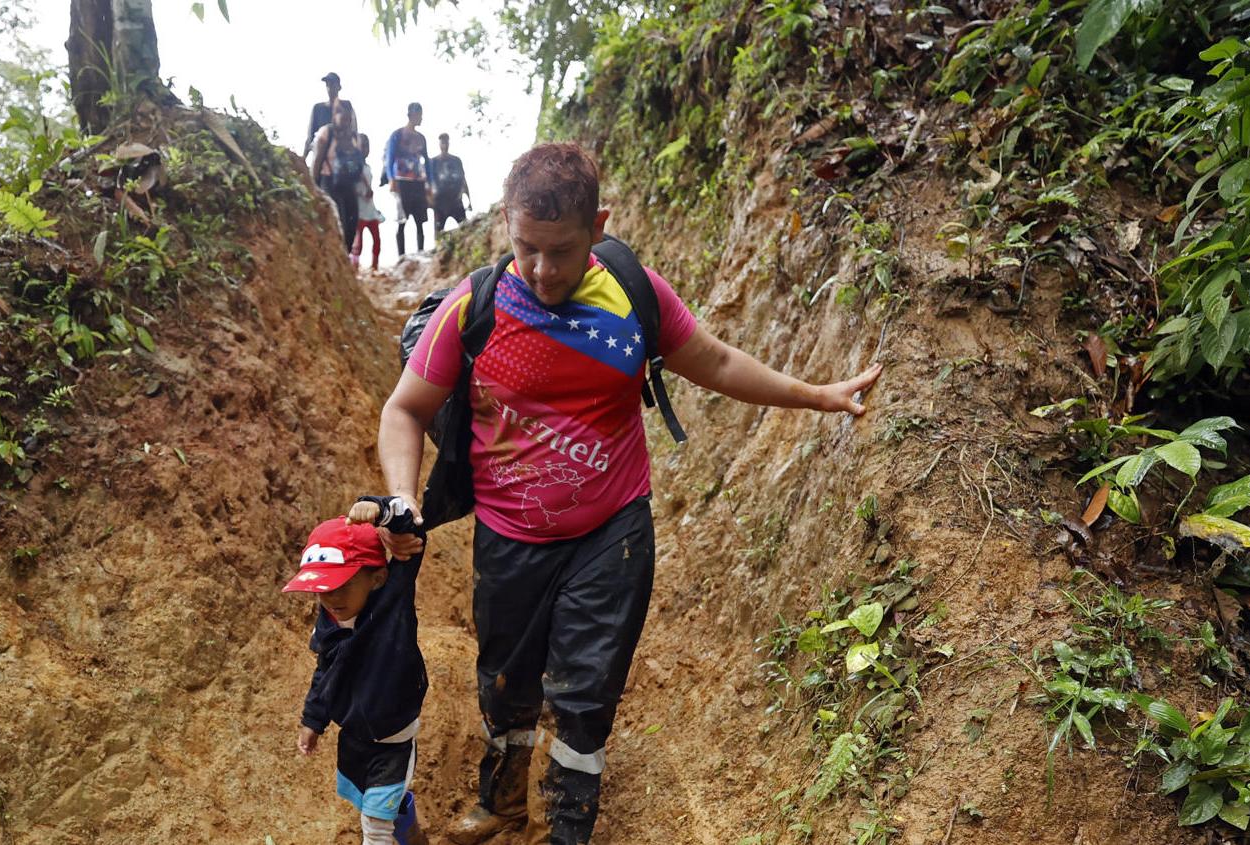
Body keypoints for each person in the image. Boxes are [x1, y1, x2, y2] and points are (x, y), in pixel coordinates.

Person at [377, 143, 885, 844]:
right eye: (526, 248)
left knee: (585, 694)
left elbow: (716, 361)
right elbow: (404, 409)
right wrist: (402, 496)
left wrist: (818, 396)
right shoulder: (475, 307)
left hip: (610, 534)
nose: (542, 269)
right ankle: (503, 800)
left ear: (599, 226)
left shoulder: (631, 292)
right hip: (509, 536)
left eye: (561, 250)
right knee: (504, 680)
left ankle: (569, 828)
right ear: (506, 224)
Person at [287, 497, 431, 845]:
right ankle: (412, 834)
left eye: (342, 586)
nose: (331, 599)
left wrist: (381, 510)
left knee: (375, 825)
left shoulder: (393, 605)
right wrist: (313, 721)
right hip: (353, 737)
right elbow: (325, 673)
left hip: (392, 743)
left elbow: (413, 533)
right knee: (373, 804)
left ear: (377, 578)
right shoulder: (328, 624)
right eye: (322, 590)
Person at [312, 106, 365, 255]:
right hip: (329, 181)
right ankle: (334, 253)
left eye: (349, 118)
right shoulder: (327, 133)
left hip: (349, 183)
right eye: (343, 118)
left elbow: (359, 162)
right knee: (338, 219)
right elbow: (317, 161)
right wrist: (313, 186)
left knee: (352, 222)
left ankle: (345, 255)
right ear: (335, 116)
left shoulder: (355, 137)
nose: (346, 121)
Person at [380, 103, 431, 257]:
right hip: (402, 181)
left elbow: (427, 161)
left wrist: (429, 182)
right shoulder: (397, 135)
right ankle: (401, 255)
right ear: (412, 115)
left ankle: (421, 252)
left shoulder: (421, 138)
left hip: (418, 181)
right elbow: (390, 158)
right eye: (419, 115)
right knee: (402, 220)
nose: (421, 118)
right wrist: (391, 179)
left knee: (420, 220)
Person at [305, 71, 357, 170]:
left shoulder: (346, 106)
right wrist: (304, 158)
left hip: (342, 159)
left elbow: (354, 132)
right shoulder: (318, 108)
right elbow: (310, 136)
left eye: (333, 84)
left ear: (339, 87)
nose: (330, 88)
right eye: (328, 85)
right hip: (321, 160)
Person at [352, 134, 385, 270]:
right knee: (358, 242)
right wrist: (362, 193)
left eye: (368, 145)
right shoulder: (354, 166)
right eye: (363, 145)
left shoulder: (367, 167)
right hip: (359, 208)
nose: (366, 149)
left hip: (370, 208)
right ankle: (355, 267)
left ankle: (374, 267)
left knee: (377, 240)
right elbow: (351, 187)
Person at [430, 133, 471, 235]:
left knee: (465, 229)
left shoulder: (456, 160)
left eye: (446, 142)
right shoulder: (433, 162)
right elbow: (428, 183)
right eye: (442, 143)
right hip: (440, 202)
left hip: (456, 199)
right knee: (438, 232)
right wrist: (429, 201)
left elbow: (463, 180)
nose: (445, 145)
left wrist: (469, 200)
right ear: (439, 144)